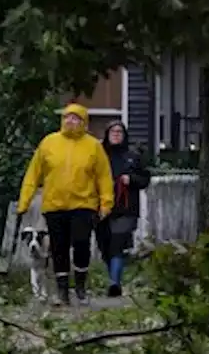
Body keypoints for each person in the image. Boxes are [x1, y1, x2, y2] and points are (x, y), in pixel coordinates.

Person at [17, 103, 114, 306]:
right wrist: (24, 201)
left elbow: (104, 177)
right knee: (58, 248)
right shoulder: (49, 143)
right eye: (67, 117)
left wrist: (106, 204)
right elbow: (33, 175)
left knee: (81, 244)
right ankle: (62, 291)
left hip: (84, 204)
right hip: (55, 205)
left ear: (84, 122)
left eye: (76, 118)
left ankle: (80, 287)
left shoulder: (93, 146)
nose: (71, 121)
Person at [97, 121, 152, 297]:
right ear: (107, 134)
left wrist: (131, 179)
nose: (116, 134)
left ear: (124, 135)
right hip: (102, 208)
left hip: (126, 208)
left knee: (117, 244)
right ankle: (113, 275)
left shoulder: (133, 157)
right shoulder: (98, 155)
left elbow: (145, 180)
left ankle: (115, 283)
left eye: (119, 131)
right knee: (104, 246)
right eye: (112, 131)